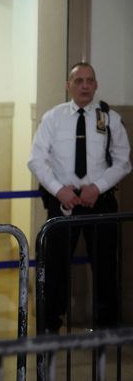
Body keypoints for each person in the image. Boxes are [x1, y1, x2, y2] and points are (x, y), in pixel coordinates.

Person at [28, 62, 131, 332]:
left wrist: (96, 187)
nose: (84, 85)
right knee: (55, 268)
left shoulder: (110, 118)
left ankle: (107, 327)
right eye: (78, 81)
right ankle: (50, 326)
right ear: (68, 85)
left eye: (89, 80)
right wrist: (59, 189)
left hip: (101, 202)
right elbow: (36, 160)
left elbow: (123, 161)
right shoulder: (53, 117)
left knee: (106, 268)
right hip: (63, 203)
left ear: (96, 85)